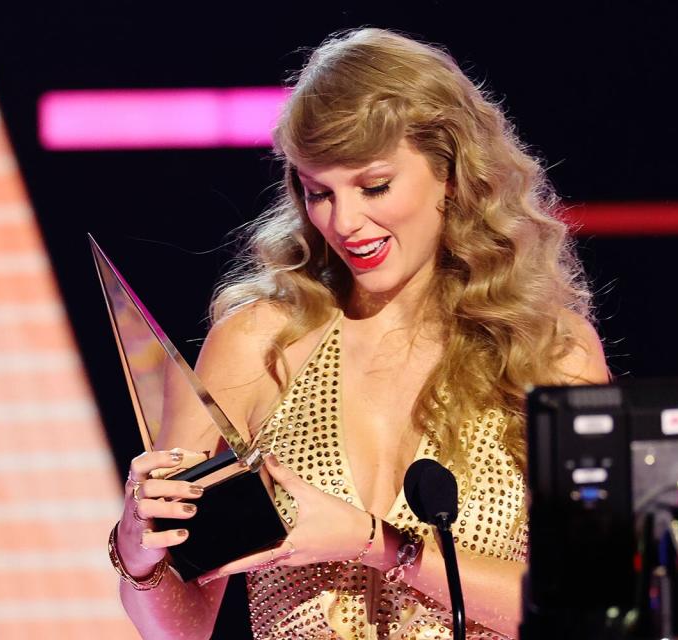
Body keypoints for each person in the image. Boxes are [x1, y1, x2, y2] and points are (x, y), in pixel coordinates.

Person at [108, 28, 610, 640]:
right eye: (319, 192)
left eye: (374, 187)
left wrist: (382, 546)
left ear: (450, 174)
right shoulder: (257, 344)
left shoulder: (547, 353)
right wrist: (140, 554)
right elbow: (183, 630)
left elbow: (589, 608)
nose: (345, 223)